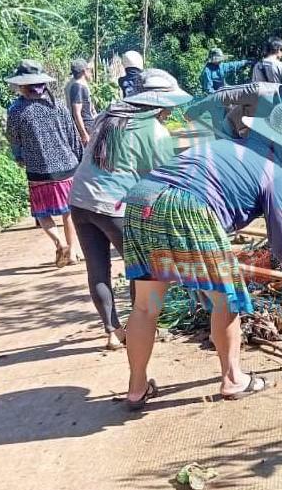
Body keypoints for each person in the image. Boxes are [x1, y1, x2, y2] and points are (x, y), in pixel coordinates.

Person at [121, 103, 282, 409]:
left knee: (146, 306)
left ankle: (136, 389)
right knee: (226, 300)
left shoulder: (223, 146)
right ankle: (233, 379)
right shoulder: (274, 172)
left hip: (141, 199)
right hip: (185, 207)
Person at [69, 70, 191, 350]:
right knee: (145, 268)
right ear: (160, 103)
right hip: (113, 206)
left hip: (80, 201)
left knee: (98, 268)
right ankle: (144, 327)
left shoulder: (108, 115)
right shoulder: (155, 131)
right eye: (170, 105)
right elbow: (165, 178)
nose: (171, 111)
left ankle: (113, 331)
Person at [5, 59, 82, 267]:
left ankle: (59, 244)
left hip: (38, 171)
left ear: (22, 86)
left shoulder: (15, 111)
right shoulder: (57, 106)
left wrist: (20, 157)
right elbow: (72, 135)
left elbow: (14, 140)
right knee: (68, 212)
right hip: (67, 167)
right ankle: (73, 251)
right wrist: (79, 158)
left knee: (42, 213)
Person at [183, 67, 282, 140]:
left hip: (259, 136)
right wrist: (194, 110)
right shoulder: (260, 92)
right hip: (233, 131)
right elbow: (221, 95)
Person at [65, 58, 96, 145]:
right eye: (89, 70)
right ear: (84, 71)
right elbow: (77, 113)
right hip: (86, 127)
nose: (90, 73)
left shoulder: (79, 85)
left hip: (89, 125)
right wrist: (84, 134)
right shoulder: (77, 87)